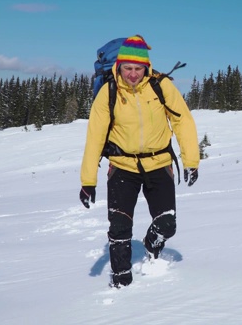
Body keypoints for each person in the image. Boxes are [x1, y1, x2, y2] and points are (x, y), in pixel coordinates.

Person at [79, 35, 200, 288]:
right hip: (123, 167)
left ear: (146, 67)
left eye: (138, 68)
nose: (133, 74)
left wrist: (191, 161)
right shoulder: (108, 92)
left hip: (159, 164)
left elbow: (183, 121)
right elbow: (95, 136)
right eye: (128, 68)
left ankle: (151, 245)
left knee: (167, 223)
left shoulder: (160, 86)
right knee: (120, 227)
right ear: (119, 66)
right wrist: (88, 181)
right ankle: (121, 282)